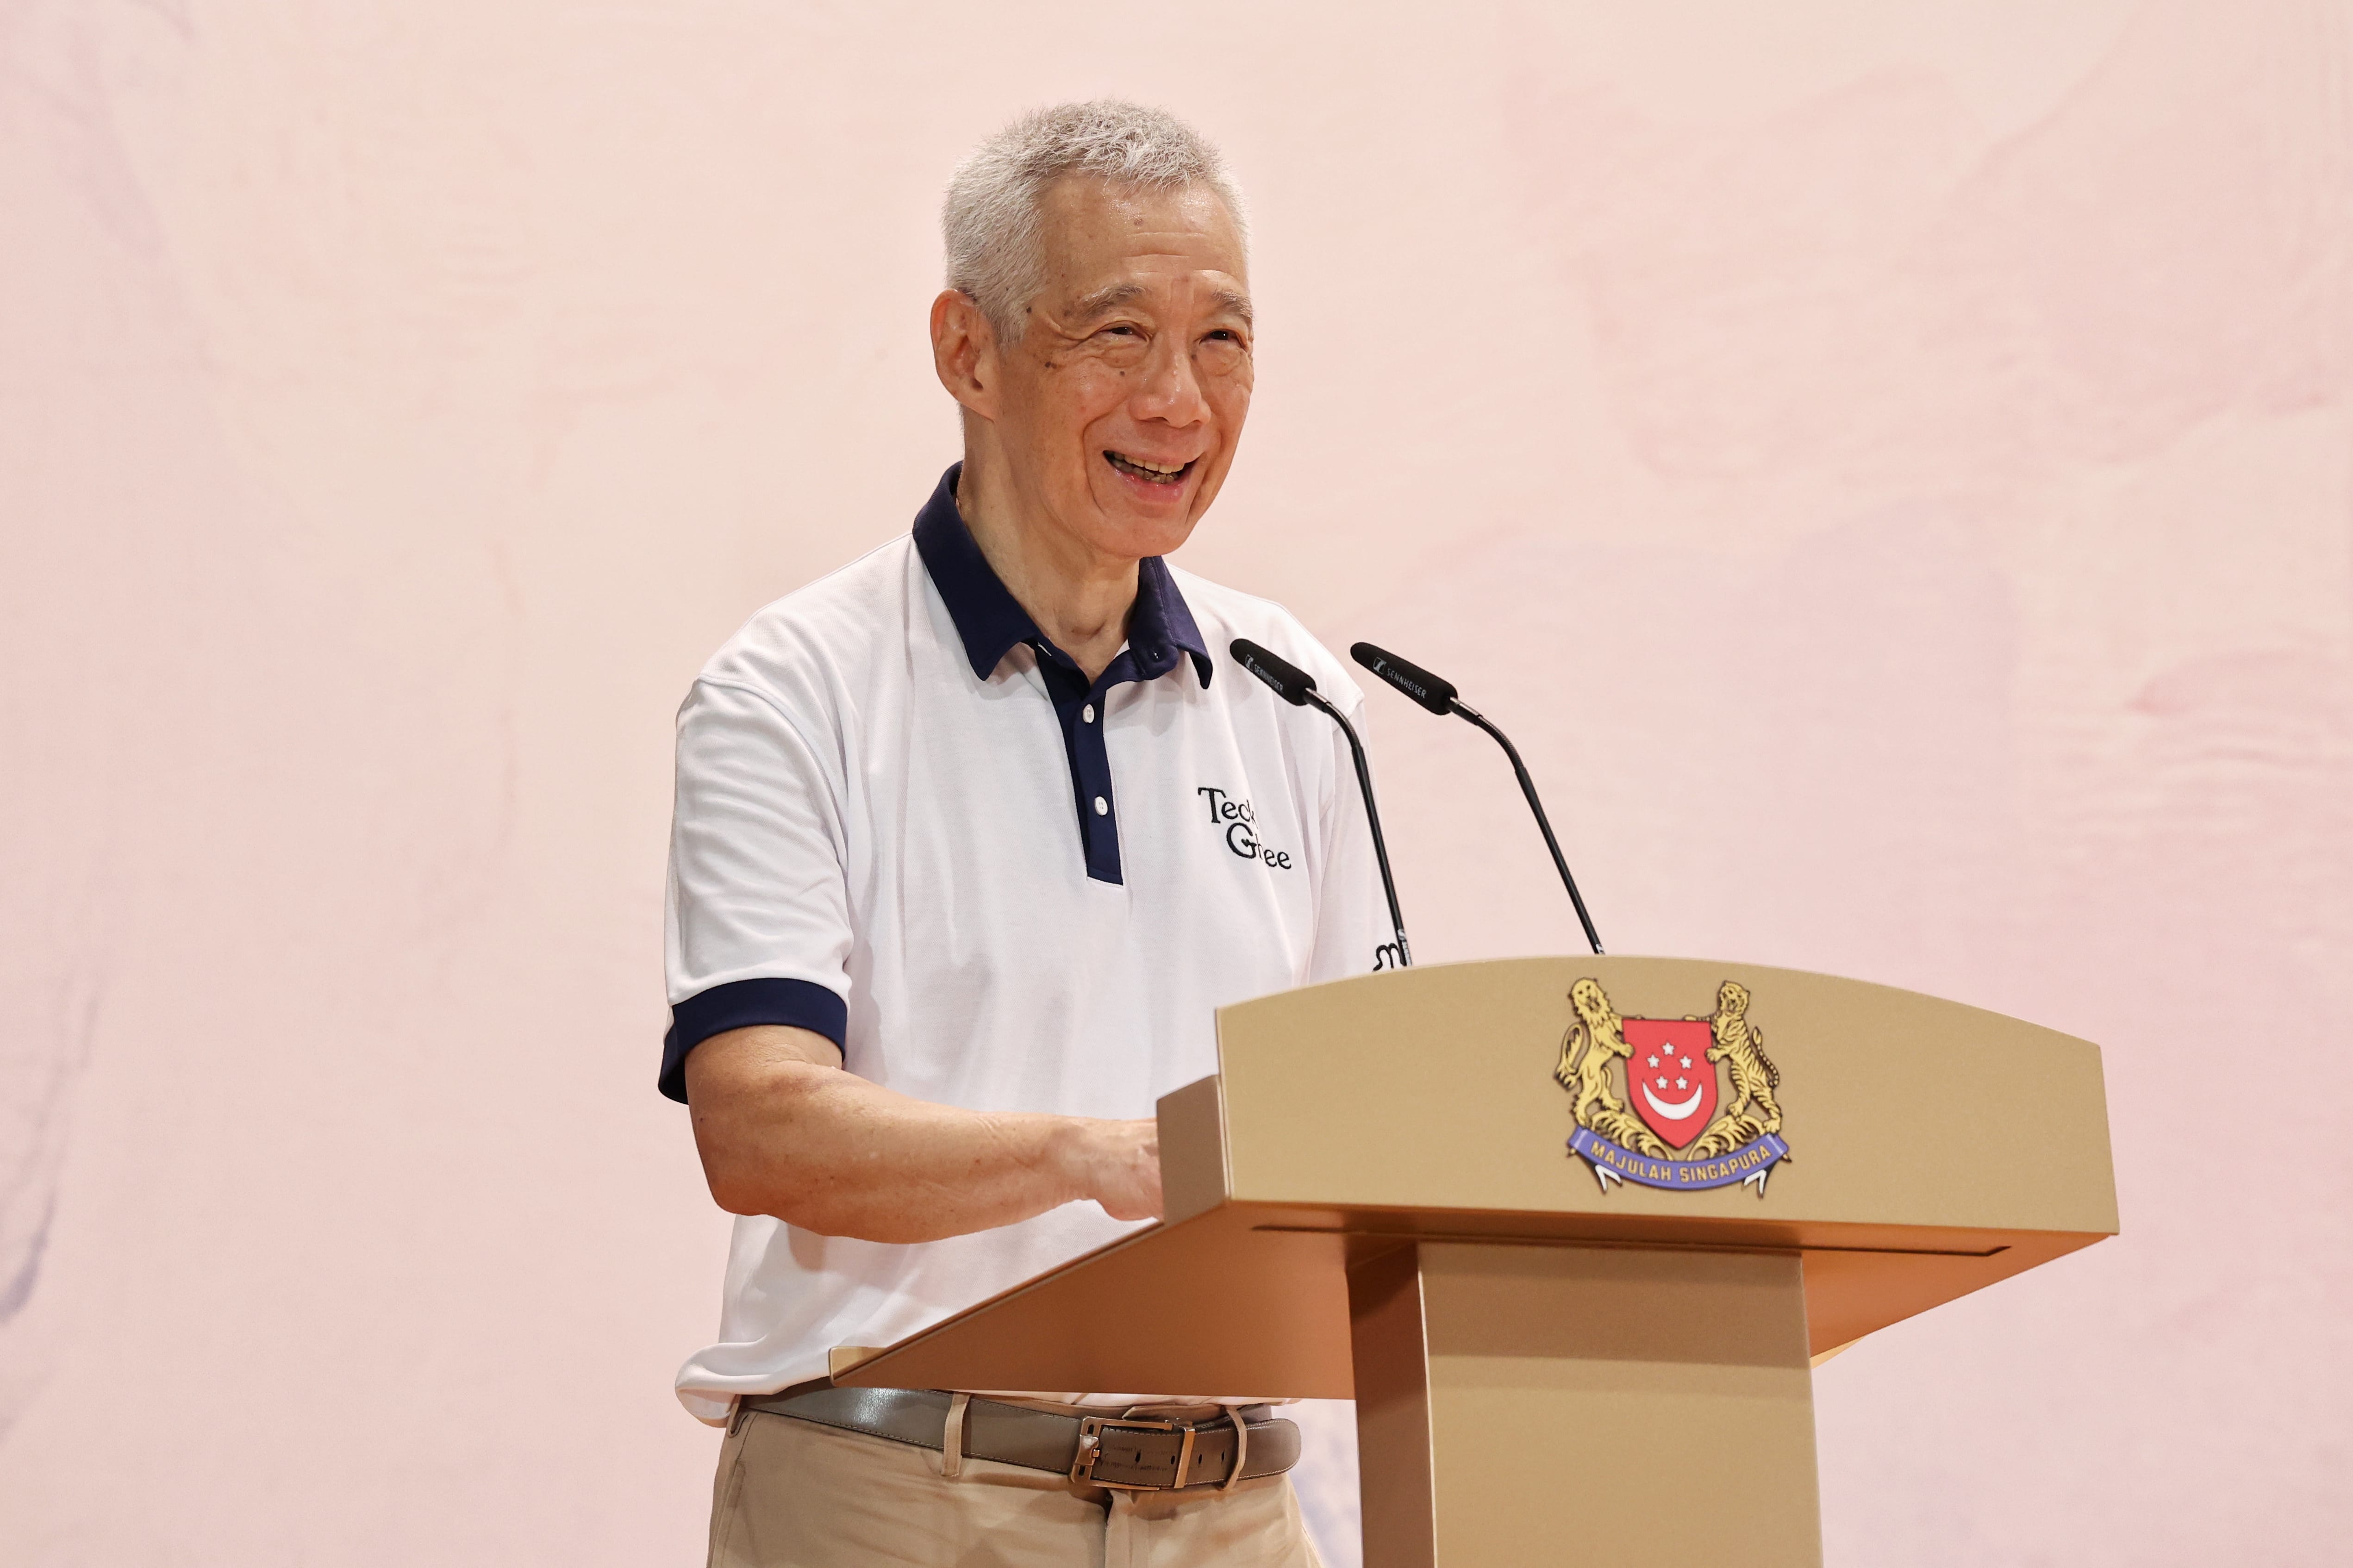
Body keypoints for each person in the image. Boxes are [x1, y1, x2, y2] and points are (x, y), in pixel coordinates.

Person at [662, 100, 1386, 1566]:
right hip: (900, 1496)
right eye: (1116, 333)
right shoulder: (793, 685)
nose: (1178, 400)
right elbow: (758, 1122)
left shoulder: (1292, 692)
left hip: (1234, 1506)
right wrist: (1091, 1154)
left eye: (1223, 340)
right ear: (967, 351)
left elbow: (1365, 1113)